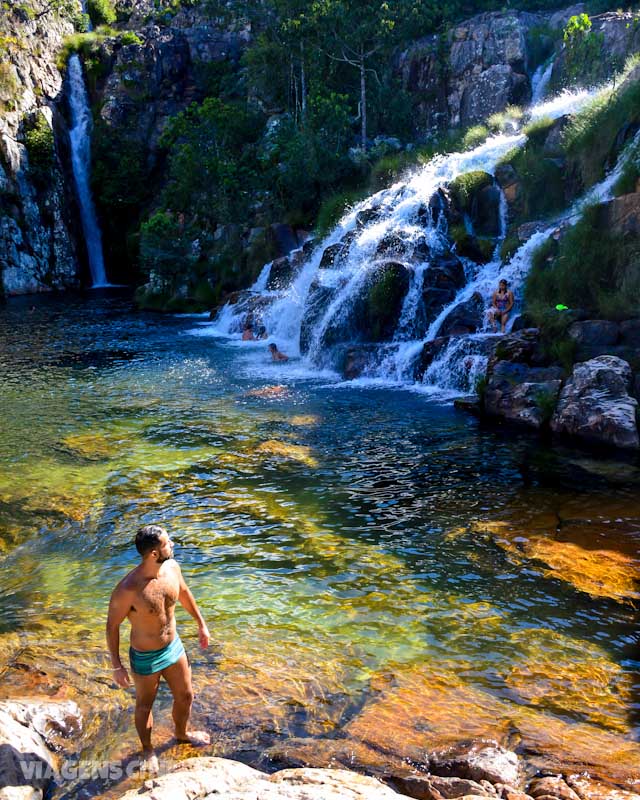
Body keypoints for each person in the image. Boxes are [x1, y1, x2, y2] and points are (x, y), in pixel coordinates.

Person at [106, 525, 211, 771]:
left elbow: (184, 593)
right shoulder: (128, 590)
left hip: (173, 647)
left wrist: (201, 624)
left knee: (186, 695)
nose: (172, 544)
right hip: (145, 656)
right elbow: (111, 627)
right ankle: (147, 749)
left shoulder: (172, 568)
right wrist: (117, 666)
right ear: (154, 553)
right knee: (145, 704)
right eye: (167, 542)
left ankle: (182, 734)